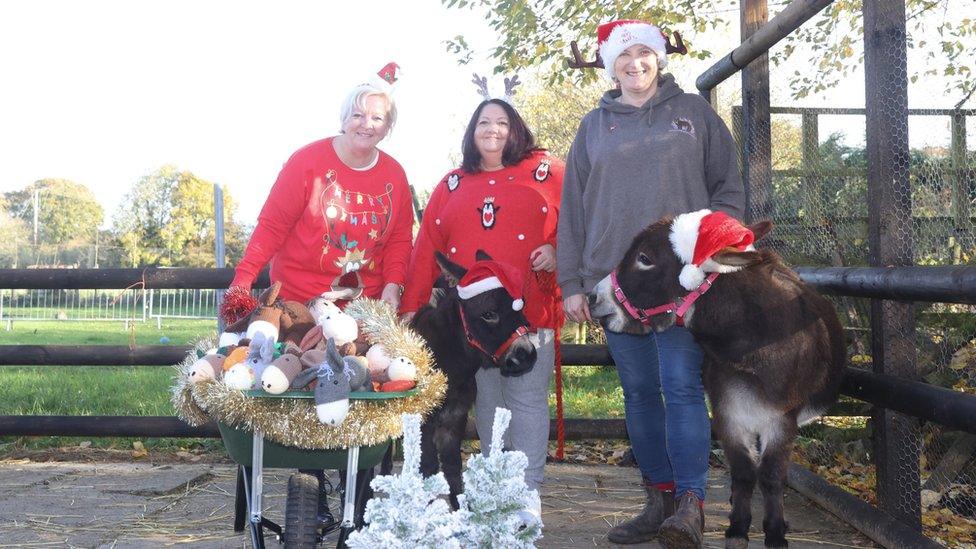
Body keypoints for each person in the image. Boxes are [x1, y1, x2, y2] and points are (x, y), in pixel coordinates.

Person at [556, 20, 744, 547]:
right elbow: (572, 209)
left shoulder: (695, 114)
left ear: (658, 59)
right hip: (614, 285)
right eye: (623, 56)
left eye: (644, 53)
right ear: (609, 65)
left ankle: (691, 504)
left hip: (681, 282)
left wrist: (712, 248)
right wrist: (573, 281)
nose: (634, 63)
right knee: (639, 393)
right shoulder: (593, 127)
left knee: (682, 386)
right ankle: (656, 499)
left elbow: (728, 188)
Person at [400, 92, 564, 521]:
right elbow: (426, 247)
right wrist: (410, 308)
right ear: (472, 133)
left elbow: (582, 223)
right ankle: (494, 487)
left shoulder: (550, 173)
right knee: (489, 401)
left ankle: (526, 496)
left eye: (502, 123)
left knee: (526, 400)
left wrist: (558, 249)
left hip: (529, 308)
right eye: (483, 123)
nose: (493, 131)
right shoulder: (452, 183)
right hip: (473, 324)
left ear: (516, 130)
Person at [230, 64, 414, 310]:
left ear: (387, 127)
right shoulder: (306, 163)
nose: (366, 124)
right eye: (357, 115)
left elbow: (399, 241)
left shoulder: (395, 175)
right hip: (298, 302)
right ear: (344, 119)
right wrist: (243, 279)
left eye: (377, 118)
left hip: (365, 307)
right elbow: (273, 225)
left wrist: (394, 284)